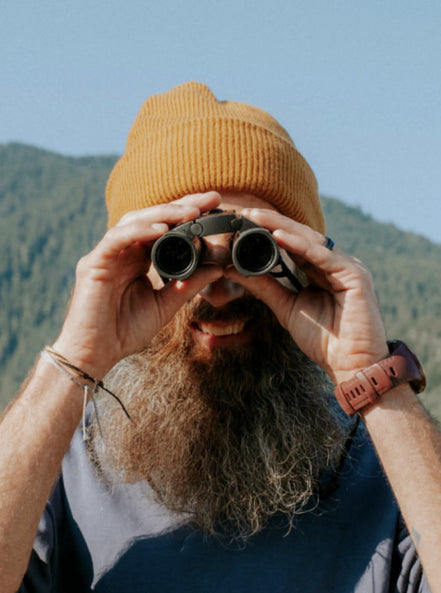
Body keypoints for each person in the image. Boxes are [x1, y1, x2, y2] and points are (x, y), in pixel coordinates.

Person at [0, 81, 439, 593]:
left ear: (305, 260)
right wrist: (74, 358)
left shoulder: (392, 469)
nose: (220, 290)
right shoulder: (54, 468)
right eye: (177, 253)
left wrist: (370, 371)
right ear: (131, 265)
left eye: (254, 253)